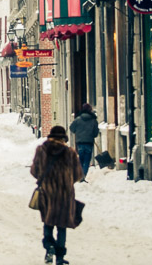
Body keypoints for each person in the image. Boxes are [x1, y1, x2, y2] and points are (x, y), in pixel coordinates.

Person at [30, 126, 83, 265]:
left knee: (48, 223)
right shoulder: (70, 153)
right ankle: (59, 258)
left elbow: (34, 171)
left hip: (47, 193)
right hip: (64, 195)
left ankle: (49, 247)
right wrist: (66, 180)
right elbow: (78, 175)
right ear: (63, 139)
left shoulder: (41, 151)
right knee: (62, 226)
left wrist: (45, 179)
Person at [69, 103, 99, 180]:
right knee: (87, 161)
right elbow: (96, 133)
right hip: (89, 142)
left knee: (81, 160)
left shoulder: (78, 119)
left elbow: (72, 128)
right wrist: (92, 135)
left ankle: (79, 175)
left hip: (80, 142)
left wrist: (78, 132)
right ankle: (83, 176)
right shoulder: (93, 120)